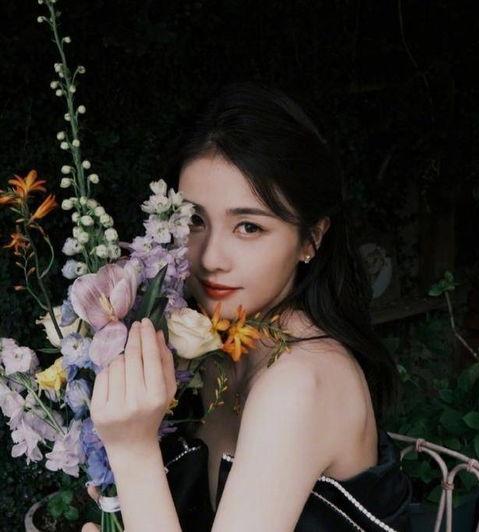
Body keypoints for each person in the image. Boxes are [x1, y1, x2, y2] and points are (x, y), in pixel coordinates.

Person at [82, 82, 412, 531]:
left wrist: (132, 451)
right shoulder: (206, 351)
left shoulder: (300, 382)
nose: (211, 258)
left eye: (249, 227)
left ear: (311, 239)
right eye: (195, 220)